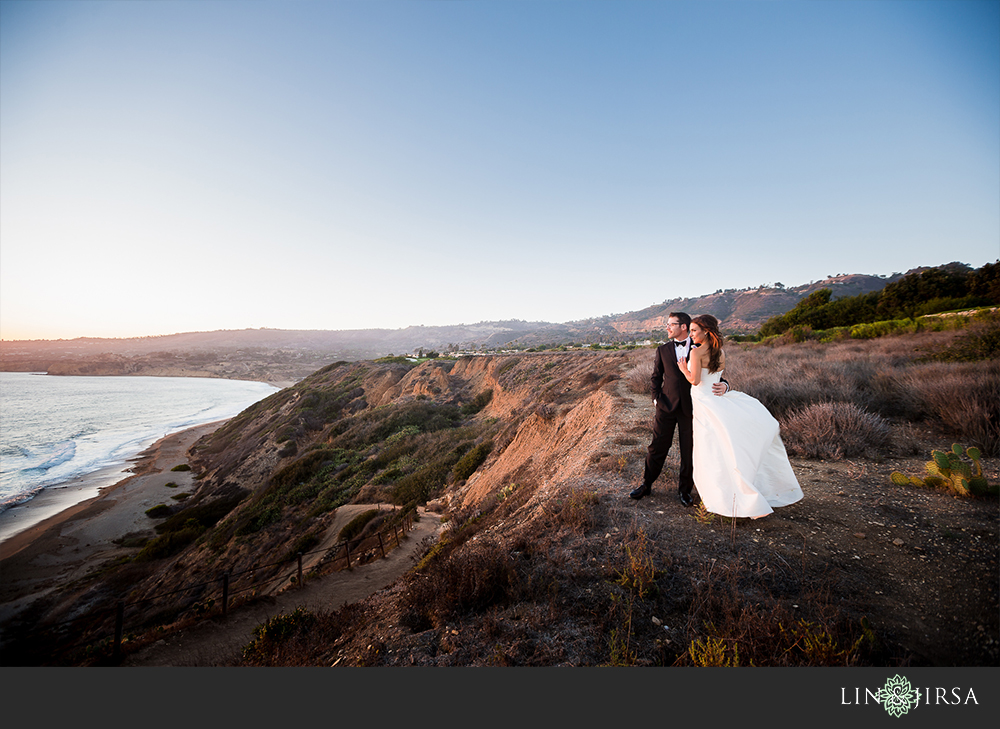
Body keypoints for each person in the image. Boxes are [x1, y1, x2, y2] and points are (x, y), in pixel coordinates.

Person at [675, 314, 803, 518]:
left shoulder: (697, 353)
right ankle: (731, 491)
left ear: (706, 331)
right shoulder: (720, 351)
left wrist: (684, 369)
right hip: (715, 401)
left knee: (710, 449)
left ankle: (721, 496)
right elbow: (716, 377)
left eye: (693, 330)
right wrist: (725, 385)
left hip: (704, 403)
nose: (690, 334)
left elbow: (696, 381)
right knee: (721, 446)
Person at [630, 312, 728, 506]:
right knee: (657, 447)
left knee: (689, 451)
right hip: (666, 407)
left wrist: (725, 385)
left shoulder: (702, 347)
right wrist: (655, 399)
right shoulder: (663, 349)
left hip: (693, 409)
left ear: (684, 326)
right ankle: (646, 484)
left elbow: (713, 374)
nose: (667, 328)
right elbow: (656, 377)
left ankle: (685, 491)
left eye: (671, 324)